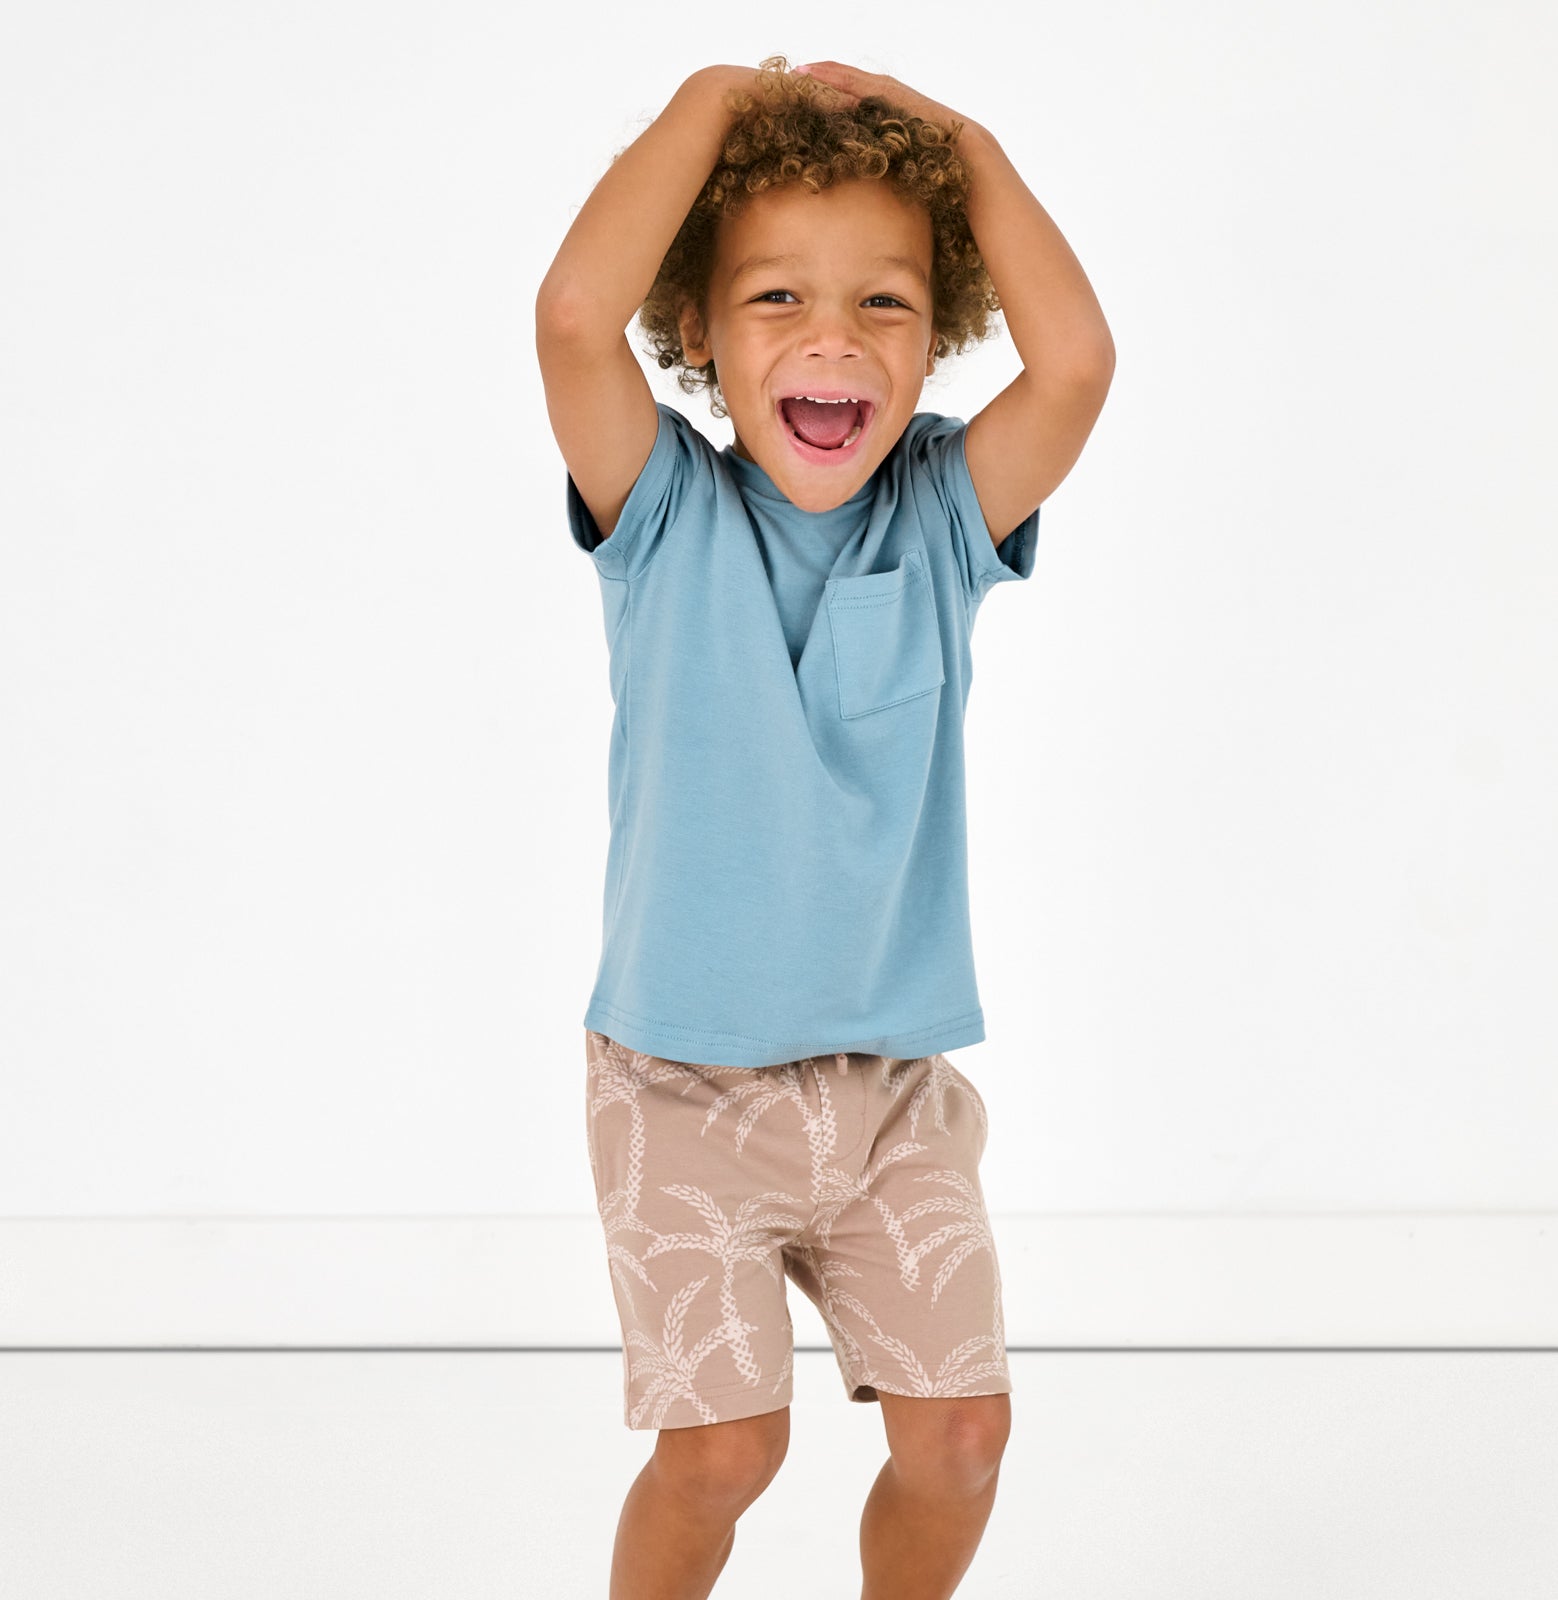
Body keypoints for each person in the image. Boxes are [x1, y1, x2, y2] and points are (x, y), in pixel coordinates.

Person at [536, 55, 1114, 1600]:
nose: (833, 341)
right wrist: (720, 98)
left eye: (887, 305)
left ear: (937, 338)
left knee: (963, 1437)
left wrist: (966, 142)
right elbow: (574, 320)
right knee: (724, 1454)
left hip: (886, 1097)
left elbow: (1075, 367)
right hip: (680, 1094)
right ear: (704, 337)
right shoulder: (661, 512)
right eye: (776, 300)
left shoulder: (941, 517)